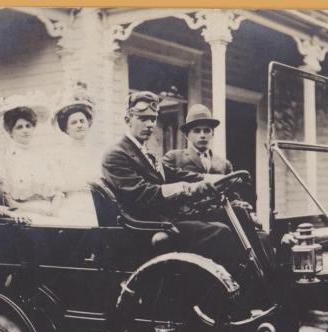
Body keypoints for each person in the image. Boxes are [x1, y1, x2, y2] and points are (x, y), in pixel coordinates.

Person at [102, 91, 240, 270]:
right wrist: (189, 188)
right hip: (148, 227)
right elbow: (143, 192)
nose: (150, 124)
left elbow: (174, 173)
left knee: (234, 213)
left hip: (165, 219)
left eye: (153, 119)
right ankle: (221, 287)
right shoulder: (116, 154)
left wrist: (215, 179)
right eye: (143, 119)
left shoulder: (145, 151)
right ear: (128, 120)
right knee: (220, 231)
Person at [0, 104, 64, 217]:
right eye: (19, 127)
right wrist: (37, 212)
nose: (25, 130)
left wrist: (53, 210)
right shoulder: (5, 160)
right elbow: (8, 201)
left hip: (51, 211)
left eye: (28, 125)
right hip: (23, 214)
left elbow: (59, 193)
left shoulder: (45, 156)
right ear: (10, 131)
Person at [51, 84, 101, 227]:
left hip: (97, 201)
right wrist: (82, 184)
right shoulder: (60, 154)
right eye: (73, 123)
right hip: (73, 203)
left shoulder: (97, 152)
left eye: (82, 121)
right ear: (66, 128)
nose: (79, 125)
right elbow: (58, 185)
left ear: (88, 123)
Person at [162, 103, 232, 177]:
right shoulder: (174, 158)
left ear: (212, 134)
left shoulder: (224, 164)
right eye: (197, 131)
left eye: (207, 131)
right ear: (187, 135)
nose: (202, 135)